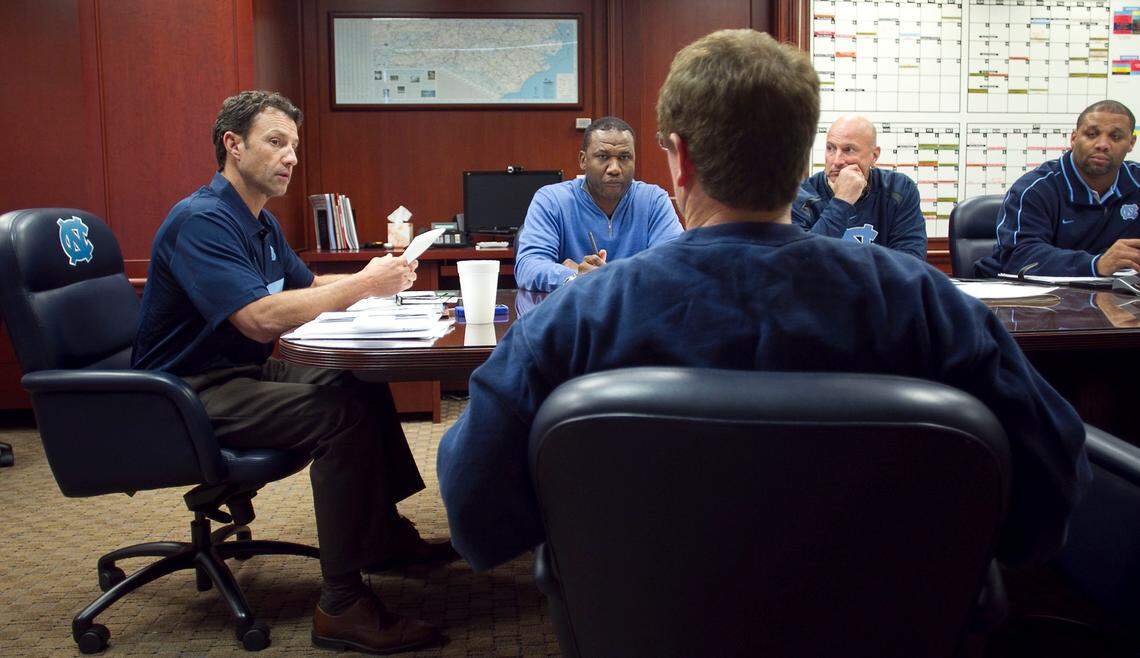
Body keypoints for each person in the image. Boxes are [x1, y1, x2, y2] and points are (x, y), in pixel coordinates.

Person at [436, 30, 1088, 573]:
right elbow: (1049, 494)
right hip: (883, 622)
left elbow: (476, 517)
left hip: (644, 619)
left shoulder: (579, 317)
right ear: (801, 156)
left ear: (680, 161)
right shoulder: (926, 304)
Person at [132, 91, 453, 654]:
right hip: (185, 392)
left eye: (294, 147)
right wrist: (362, 286)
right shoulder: (202, 222)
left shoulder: (256, 221)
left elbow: (305, 288)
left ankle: (382, 538)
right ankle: (342, 605)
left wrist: (377, 275)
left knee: (359, 380)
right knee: (339, 415)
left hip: (236, 374)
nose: (290, 158)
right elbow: (258, 319)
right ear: (233, 145)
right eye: (276, 143)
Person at [513, 116, 683, 291]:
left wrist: (608, 276)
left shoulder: (653, 200)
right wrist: (573, 277)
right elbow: (529, 267)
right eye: (603, 156)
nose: (615, 168)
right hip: (571, 314)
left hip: (637, 314)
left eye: (624, 157)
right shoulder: (551, 200)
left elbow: (675, 265)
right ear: (583, 160)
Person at [975, 100, 1140, 277]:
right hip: (1029, 297)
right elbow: (1019, 255)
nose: (1102, 144)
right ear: (1074, 138)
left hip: (1115, 296)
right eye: (1092, 134)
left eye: (1115, 137)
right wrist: (1095, 264)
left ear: (1131, 143)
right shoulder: (1035, 189)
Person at [793, 115, 927, 259]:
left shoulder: (899, 190)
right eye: (830, 148)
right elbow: (801, 263)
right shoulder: (800, 196)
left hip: (877, 282)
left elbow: (911, 262)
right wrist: (842, 201)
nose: (836, 161)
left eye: (848, 149)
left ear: (874, 156)